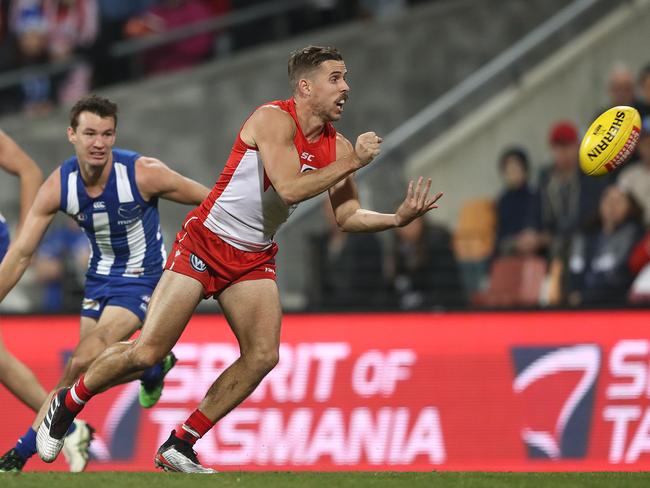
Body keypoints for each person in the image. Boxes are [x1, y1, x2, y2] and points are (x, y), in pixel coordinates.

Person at [36, 45, 443, 473]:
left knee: (263, 354)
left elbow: (347, 216)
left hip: (252, 257)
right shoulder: (272, 118)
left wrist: (396, 218)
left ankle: (181, 443)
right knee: (147, 352)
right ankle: (67, 403)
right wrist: (354, 161)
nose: (347, 87)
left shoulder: (338, 146)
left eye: (345, 77)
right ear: (306, 87)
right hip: (205, 243)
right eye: (336, 78)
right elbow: (287, 189)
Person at [0, 94, 210, 472]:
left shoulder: (143, 173)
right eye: (90, 133)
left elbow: (210, 202)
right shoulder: (58, 185)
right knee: (92, 370)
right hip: (98, 280)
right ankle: (151, 366)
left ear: (115, 135)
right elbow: (20, 255)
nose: (99, 143)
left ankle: (20, 454)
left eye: (107, 134)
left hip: (144, 280)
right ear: (72, 135)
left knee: (80, 360)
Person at [566, 185, 643, 306]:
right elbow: (570, 272)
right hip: (577, 308)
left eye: (619, 201)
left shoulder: (636, 236)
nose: (612, 205)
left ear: (630, 207)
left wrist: (586, 297)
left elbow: (623, 278)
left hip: (617, 308)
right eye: (608, 199)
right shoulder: (585, 234)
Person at [494, 146, 536, 256]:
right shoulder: (503, 202)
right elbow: (499, 236)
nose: (513, 174)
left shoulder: (534, 196)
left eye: (517, 168)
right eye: (509, 170)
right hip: (510, 255)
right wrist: (515, 242)